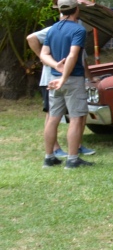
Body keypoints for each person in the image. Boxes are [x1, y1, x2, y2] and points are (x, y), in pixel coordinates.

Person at [39, 0, 93, 169]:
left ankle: (49, 158)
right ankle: (72, 159)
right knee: (77, 119)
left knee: (53, 118)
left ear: (60, 9)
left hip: (54, 79)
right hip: (72, 79)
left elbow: (43, 54)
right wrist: (64, 77)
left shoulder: (53, 29)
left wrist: (57, 68)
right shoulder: (78, 30)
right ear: (76, 8)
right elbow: (73, 55)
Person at [27, 25, 96, 158]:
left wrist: (90, 77)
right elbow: (31, 38)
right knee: (63, 116)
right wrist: (48, 62)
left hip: (60, 78)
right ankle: (60, 152)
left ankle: (57, 154)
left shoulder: (75, 29)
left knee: (57, 116)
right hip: (56, 79)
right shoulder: (56, 29)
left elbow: (82, 59)